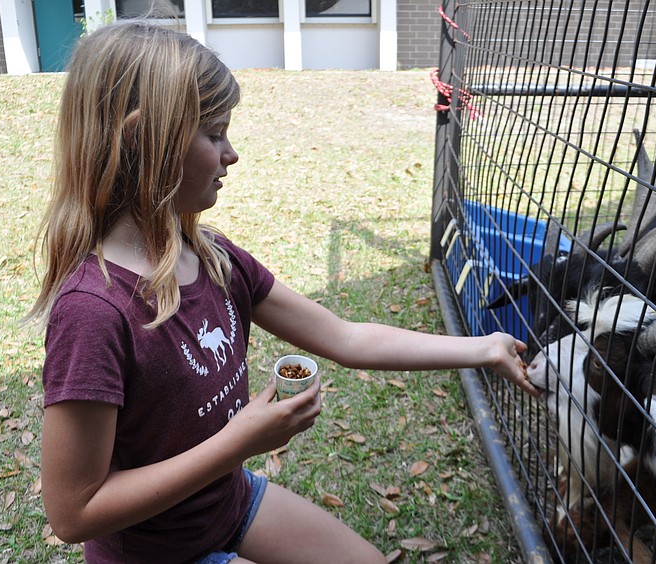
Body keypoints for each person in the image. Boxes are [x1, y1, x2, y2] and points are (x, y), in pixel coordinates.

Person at [28, 21, 537, 564]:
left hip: (227, 503)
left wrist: (482, 348)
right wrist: (239, 442)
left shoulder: (212, 258)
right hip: (161, 553)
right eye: (214, 133)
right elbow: (72, 512)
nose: (232, 154)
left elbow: (344, 337)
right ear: (143, 139)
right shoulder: (93, 311)